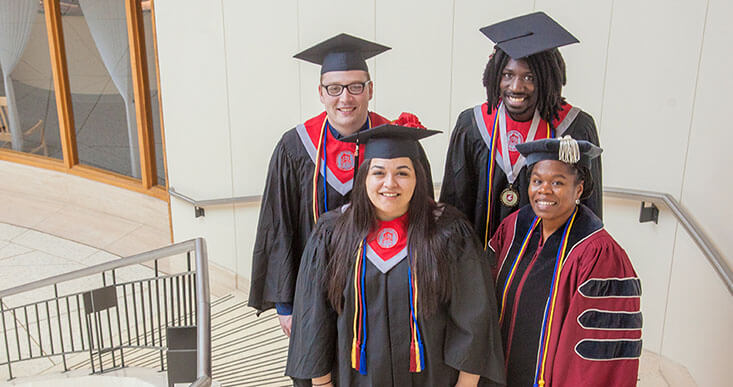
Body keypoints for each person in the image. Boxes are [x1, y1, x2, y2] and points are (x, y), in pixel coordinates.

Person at [286, 125, 505, 386]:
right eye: (379, 173)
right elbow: (315, 317)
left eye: (403, 173)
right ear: (364, 177)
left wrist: (465, 385)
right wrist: (322, 384)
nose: (390, 183)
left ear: (418, 178)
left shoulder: (448, 233)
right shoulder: (333, 234)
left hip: (433, 378)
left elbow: (473, 317)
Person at [248, 33, 434, 336]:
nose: (345, 98)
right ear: (321, 93)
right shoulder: (295, 146)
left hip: (383, 287)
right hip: (315, 287)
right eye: (334, 88)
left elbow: (421, 212)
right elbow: (279, 225)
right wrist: (287, 306)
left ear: (370, 90)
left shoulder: (397, 142)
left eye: (355, 87)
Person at [440, 12, 603, 253]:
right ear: (496, 76)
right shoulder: (472, 124)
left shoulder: (576, 127)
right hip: (481, 266)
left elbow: (590, 206)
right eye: (508, 75)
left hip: (548, 265)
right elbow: (455, 203)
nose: (516, 87)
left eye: (529, 77)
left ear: (547, 79)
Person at [490, 136, 641, 386]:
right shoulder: (513, 228)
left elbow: (596, 356)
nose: (544, 190)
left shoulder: (599, 254)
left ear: (578, 189)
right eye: (537, 180)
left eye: (557, 182)